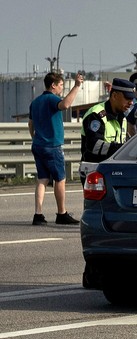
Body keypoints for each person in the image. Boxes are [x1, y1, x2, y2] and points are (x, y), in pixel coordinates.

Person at [28, 72, 84, 225]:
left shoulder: (36, 101)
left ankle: (38, 214)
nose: (61, 89)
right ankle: (61, 213)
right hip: (52, 145)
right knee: (60, 179)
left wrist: (35, 138)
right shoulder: (52, 99)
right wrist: (77, 86)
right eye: (60, 85)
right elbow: (65, 105)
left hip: (38, 144)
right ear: (53, 85)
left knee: (42, 179)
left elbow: (30, 124)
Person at [81, 78, 135, 165]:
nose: (131, 102)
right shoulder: (96, 114)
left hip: (113, 169)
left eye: (132, 99)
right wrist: (122, 148)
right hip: (95, 170)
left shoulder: (123, 117)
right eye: (128, 98)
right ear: (114, 96)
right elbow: (94, 145)